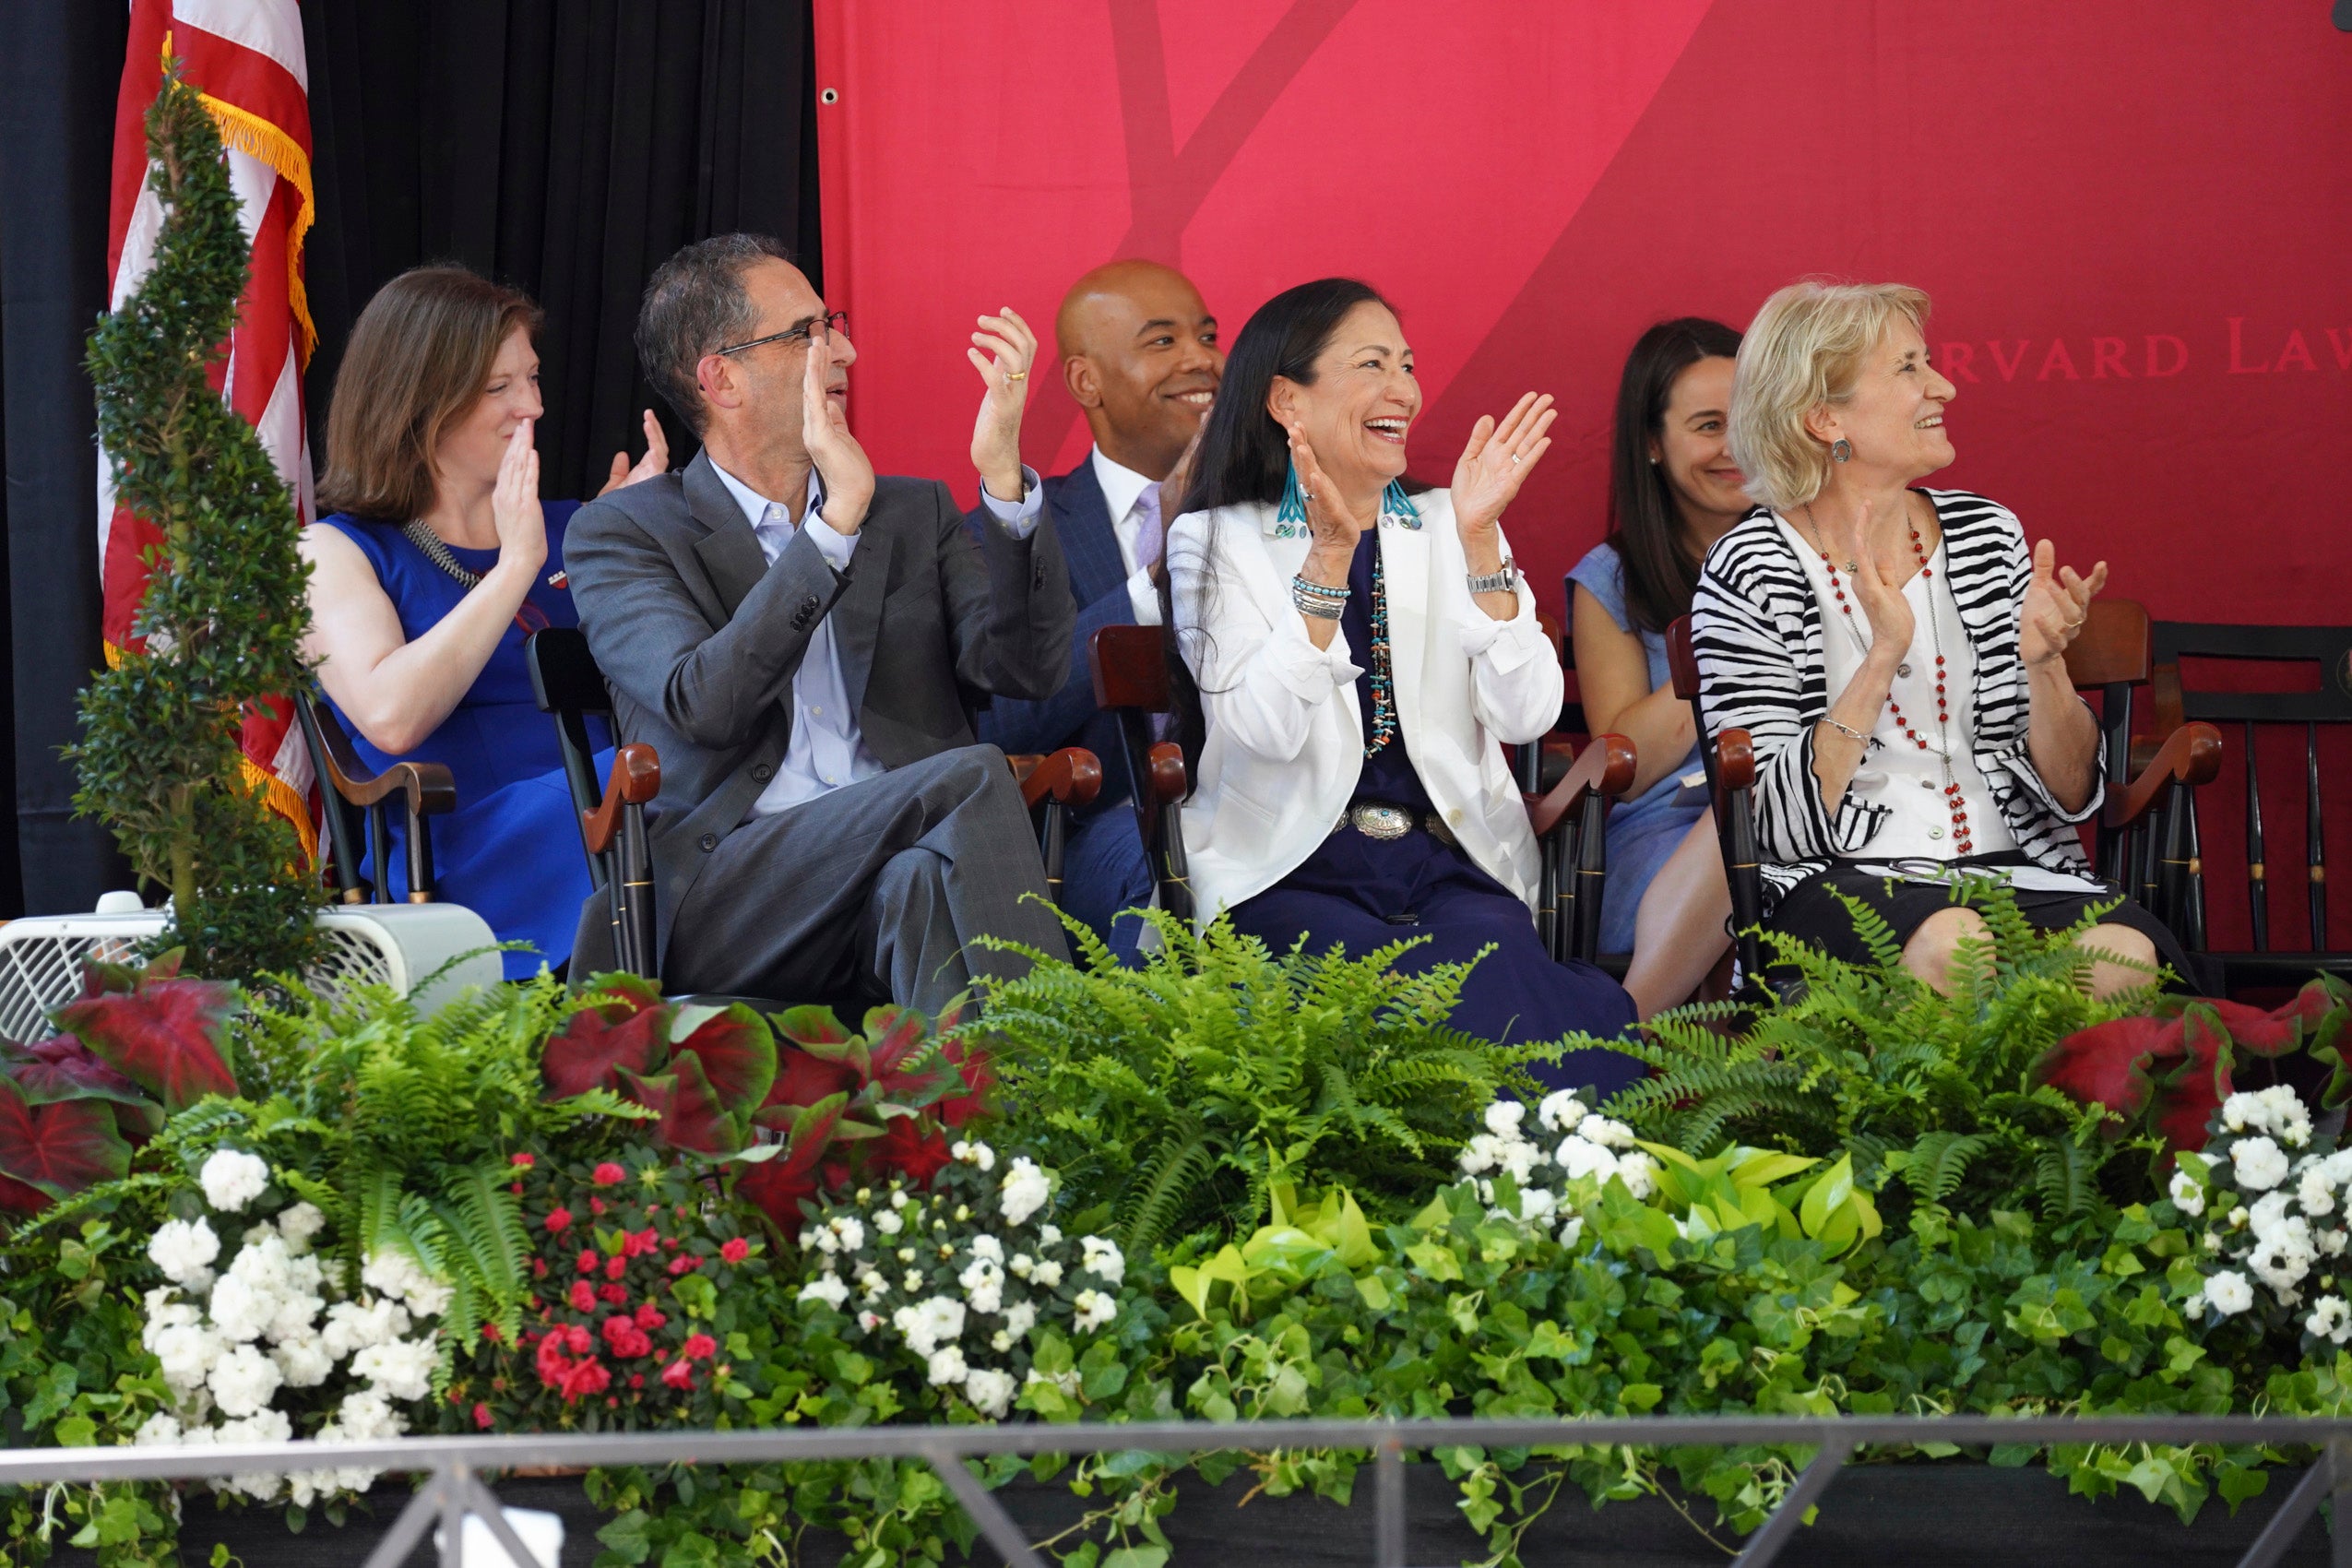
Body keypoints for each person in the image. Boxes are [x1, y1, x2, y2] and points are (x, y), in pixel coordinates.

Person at [564, 234, 1075, 1016]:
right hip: (729, 893)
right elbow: (704, 701)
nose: (845, 350)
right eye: (808, 333)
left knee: (921, 884)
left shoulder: (911, 512)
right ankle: (1073, 1080)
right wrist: (831, 532)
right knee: (972, 772)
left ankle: (984, 1132)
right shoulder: (626, 533)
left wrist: (1004, 481)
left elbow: (1024, 671)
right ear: (721, 377)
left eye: (830, 324)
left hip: (893, 868)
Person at [1166, 278, 1640, 1096]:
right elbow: (1263, 731)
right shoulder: (1215, 540)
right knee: (1394, 1013)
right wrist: (1323, 565)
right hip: (1288, 871)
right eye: (1372, 364)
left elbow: (1526, 714)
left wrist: (1484, 543)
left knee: (1492, 972)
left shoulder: (1450, 522)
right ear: (1289, 400)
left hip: (1448, 863)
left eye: (1408, 365)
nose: (1406, 391)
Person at [1692, 279, 2185, 997]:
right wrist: (1881, 657)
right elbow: (1770, 825)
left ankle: (2038, 1112)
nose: (1945, 387)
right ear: (1824, 417)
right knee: (1958, 944)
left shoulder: (1989, 534)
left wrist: (2044, 668)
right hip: (1836, 881)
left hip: (2015, 865)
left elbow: (2073, 791)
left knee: (2123, 956)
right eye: (1908, 369)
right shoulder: (1750, 567)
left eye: (1930, 363)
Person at [303, 266, 670, 980]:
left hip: (623, 820)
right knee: (690, 776)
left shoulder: (581, 528)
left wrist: (636, 536)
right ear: (418, 400)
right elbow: (390, 715)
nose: (529, 407)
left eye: (532, 379)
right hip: (470, 857)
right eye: (499, 388)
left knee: (717, 760)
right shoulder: (334, 551)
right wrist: (515, 568)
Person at [970, 259, 1223, 963]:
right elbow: (1011, 718)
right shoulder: (1013, 530)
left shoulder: (1276, 518)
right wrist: (1157, 575)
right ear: (1087, 381)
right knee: (1179, 864)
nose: (1203, 359)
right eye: (1164, 343)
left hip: (1265, 810)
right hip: (1094, 833)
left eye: (1207, 336)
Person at [1568, 318, 1743, 1017]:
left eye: (1753, 420)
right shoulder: (1611, 578)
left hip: (1807, 809)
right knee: (1742, 858)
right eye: (1708, 426)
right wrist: (1735, 631)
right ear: (1650, 444)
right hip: (1668, 831)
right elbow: (1626, 766)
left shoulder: (1822, 550)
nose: (1736, 448)